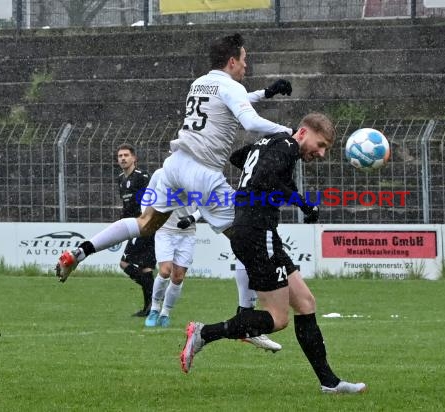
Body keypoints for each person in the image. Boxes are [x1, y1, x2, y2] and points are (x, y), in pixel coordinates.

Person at [55, 33, 291, 350]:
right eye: (244, 60)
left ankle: (80, 252)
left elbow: (228, 103)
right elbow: (247, 120)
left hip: (173, 167)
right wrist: (290, 134)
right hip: (203, 174)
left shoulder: (201, 83)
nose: (246, 65)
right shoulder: (230, 87)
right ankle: (246, 320)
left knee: (145, 223)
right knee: (247, 238)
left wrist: (265, 93)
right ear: (232, 61)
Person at [180, 113, 367, 395]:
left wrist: (263, 179)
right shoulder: (287, 147)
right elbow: (268, 178)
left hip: (258, 231)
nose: (321, 153)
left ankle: (330, 383)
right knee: (277, 318)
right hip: (257, 232)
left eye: (326, 148)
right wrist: (303, 203)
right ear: (303, 132)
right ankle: (204, 333)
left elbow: (238, 158)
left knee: (305, 302)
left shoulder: (272, 141)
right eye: (320, 144)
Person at [144, 168, 199, 328]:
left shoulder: (198, 175)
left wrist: (192, 217)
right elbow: (148, 195)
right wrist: (146, 217)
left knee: (178, 277)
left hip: (187, 232)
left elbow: (205, 204)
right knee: (165, 271)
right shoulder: (160, 174)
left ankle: (165, 313)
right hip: (165, 229)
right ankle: (154, 308)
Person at [116, 144, 156, 317]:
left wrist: (145, 220)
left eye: (126, 155)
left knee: (124, 263)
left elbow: (151, 200)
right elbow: (126, 206)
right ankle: (149, 307)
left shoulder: (142, 177)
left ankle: (154, 296)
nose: (123, 158)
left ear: (134, 158)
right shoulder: (121, 179)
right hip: (132, 226)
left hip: (143, 226)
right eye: (120, 156)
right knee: (146, 268)